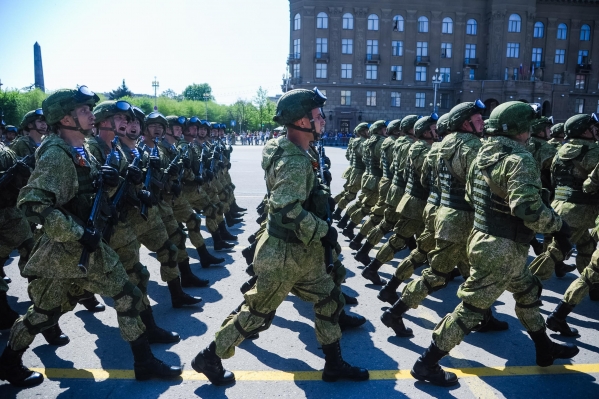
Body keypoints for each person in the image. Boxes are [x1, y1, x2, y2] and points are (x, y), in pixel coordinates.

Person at [0, 87, 181, 388]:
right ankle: (8, 362)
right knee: (45, 312)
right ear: (66, 118)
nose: (90, 115)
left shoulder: (79, 149)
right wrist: (79, 233)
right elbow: (33, 203)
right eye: (84, 110)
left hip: (87, 248)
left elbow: (87, 197)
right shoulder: (57, 154)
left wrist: (111, 184)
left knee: (123, 296)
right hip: (66, 251)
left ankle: (144, 362)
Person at [191, 88, 368, 385]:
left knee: (330, 299)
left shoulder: (286, 148)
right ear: (300, 121)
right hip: (285, 254)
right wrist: (324, 230)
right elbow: (285, 207)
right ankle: (210, 356)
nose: (323, 120)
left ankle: (334, 364)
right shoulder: (295, 160)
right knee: (256, 314)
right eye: (317, 116)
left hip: (300, 253)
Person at [411, 101, 578, 387]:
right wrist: (559, 226)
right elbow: (527, 208)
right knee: (471, 310)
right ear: (520, 128)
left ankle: (543, 347)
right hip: (502, 247)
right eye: (528, 126)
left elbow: (469, 194)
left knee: (526, 292)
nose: (531, 131)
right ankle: (426, 363)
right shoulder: (518, 158)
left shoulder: (483, 153)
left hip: (488, 239)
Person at [528, 113, 599, 281]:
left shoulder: (562, 150)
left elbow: (553, 179)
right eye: (592, 127)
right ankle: (527, 286)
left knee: (586, 245)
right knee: (555, 252)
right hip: (581, 210)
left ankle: (593, 285)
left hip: (559, 205)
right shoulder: (594, 152)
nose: (596, 130)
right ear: (584, 132)